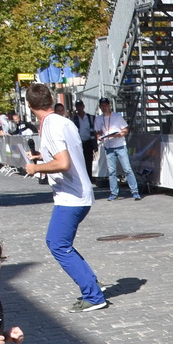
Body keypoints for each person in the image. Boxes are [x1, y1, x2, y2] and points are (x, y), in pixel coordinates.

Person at [22, 83, 108, 313]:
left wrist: (36, 168)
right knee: (61, 243)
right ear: (50, 100)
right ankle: (91, 283)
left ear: (30, 106)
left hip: (71, 195)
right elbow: (66, 154)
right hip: (78, 192)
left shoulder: (50, 125)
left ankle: (93, 293)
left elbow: (63, 163)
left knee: (57, 243)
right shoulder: (64, 121)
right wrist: (42, 156)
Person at [95, 98, 140, 201]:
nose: (104, 107)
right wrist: (99, 137)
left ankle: (135, 191)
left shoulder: (117, 116)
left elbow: (125, 130)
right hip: (108, 146)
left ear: (109, 105)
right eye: (102, 105)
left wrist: (119, 134)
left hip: (120, 145)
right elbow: (98, 132)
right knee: (112, 171)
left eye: (105, 105)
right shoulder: (98, 119)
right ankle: (114, 193)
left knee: (127, 169)